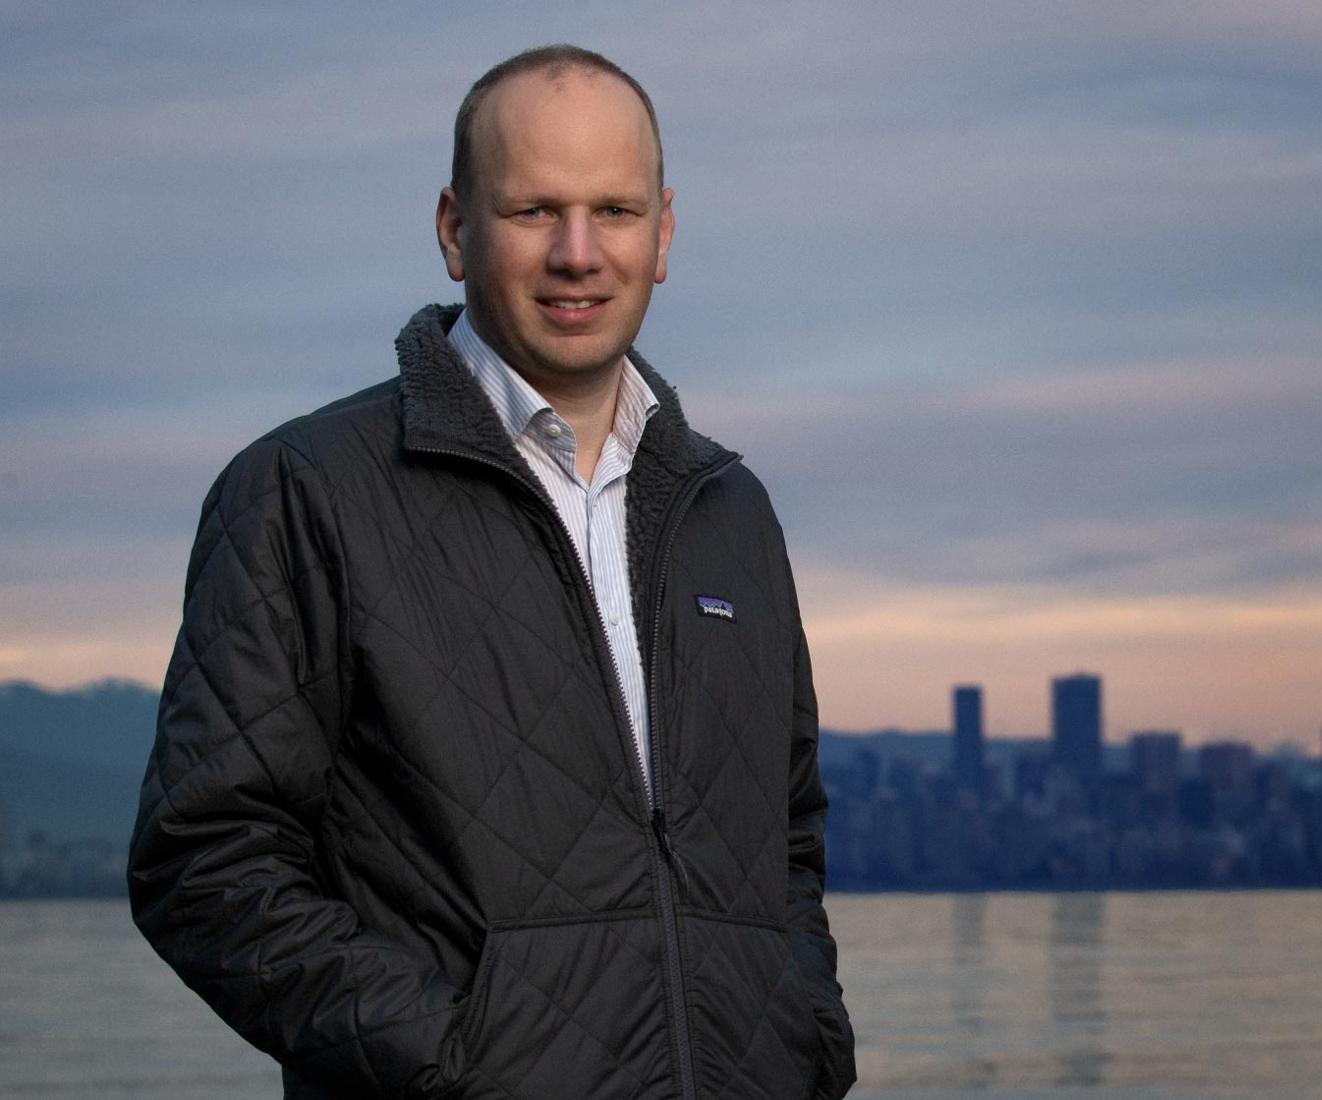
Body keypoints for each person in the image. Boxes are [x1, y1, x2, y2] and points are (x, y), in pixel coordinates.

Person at [128, 44, 856, 1100]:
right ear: (454, 229)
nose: (577, 252)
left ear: (662, 235)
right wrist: (458, 1065)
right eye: (531, 211)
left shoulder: (728, 509)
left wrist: (805, 1037)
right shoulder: (305, 487)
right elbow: (203, 859)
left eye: (612, 210)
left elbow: (785, 834)